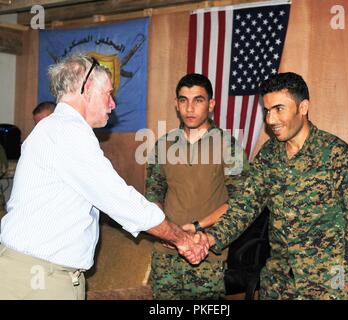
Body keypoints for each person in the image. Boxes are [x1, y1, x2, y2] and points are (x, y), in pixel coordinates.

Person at [0, 54, 209, 300]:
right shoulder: (68, 132)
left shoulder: (55, 129)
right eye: (108, 94)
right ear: (87, 88)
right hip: (38, 281)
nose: (113, 104)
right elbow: (120, 201)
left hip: (46, 275)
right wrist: (182, 239)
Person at [205, 72, 348, 300]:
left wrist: (347, 280)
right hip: (279, 283)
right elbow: (244, 206)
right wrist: (210, 238)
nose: (270, 120)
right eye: (266, 111)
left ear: (303, 107)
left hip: (327, 284)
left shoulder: (338, 156)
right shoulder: (269, 155)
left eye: (279, 109)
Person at [145, 73, 248, 299]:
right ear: (176, 104)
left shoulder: (228, 147)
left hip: (206, 253)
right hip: (166, 253)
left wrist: (197, 227)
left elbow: (241, 203)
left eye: (198, 100)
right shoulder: (164, 145)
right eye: (183, 100)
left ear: (211, 104)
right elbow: (153, 193)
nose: (190, 108)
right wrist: (166, 231)